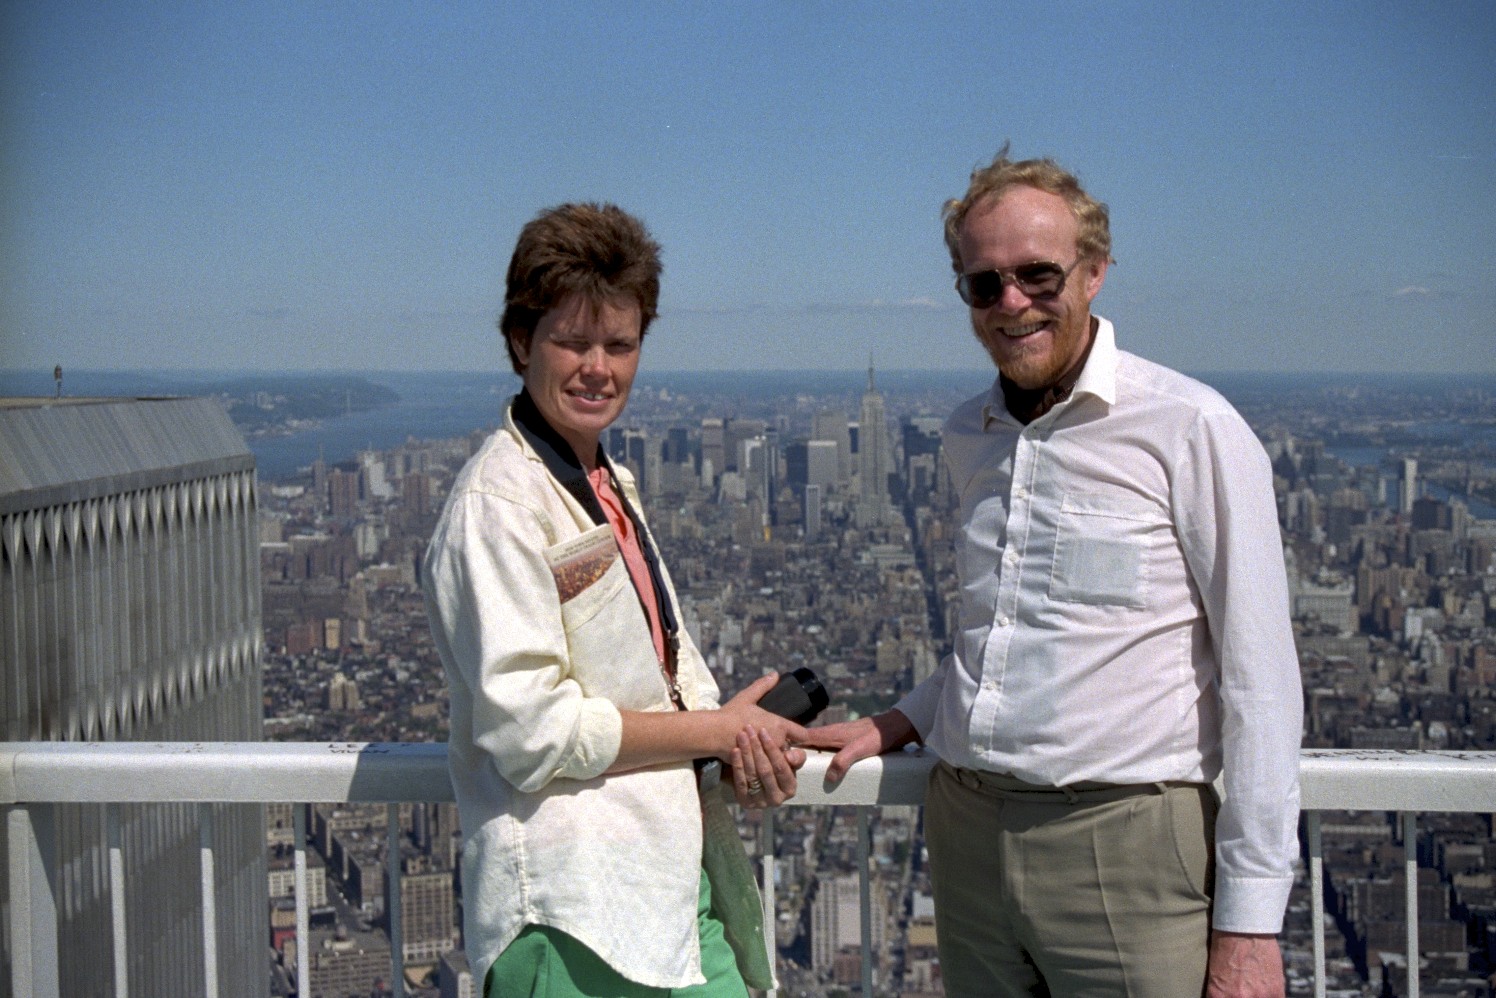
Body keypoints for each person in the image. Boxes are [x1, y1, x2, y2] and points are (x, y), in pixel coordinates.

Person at [804, 150, 1303, 997]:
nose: (1012, 303)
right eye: (984, 284)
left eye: (1038, 274)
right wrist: (903, 718)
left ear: (1094, 271)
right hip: (965, 835)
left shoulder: (1189, 427)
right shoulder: (968, 436)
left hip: (1124, 846)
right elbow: (1002, 633)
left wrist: (1251, 925)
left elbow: (1263, 683)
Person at [423, 202, 807, 997]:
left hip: (666, 895)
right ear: (520, 341)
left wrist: (724, 734)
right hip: (570, 915)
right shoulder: (499, 504)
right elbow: (530, 732)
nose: (598, 367)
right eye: (572, 341)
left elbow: (645, 678)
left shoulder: (604, 482)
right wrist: (712, 730)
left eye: (620, 345)